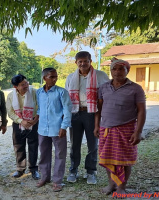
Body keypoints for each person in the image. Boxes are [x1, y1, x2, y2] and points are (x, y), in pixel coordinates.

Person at [94, 59, 146, 195]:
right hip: (106, 130)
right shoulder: (103, 88)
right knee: (108, 158)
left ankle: (121, 187)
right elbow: (98, 110)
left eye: (121, 69)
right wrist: (96, 126)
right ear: (110, 71)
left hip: (127, 130)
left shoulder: (136, 88)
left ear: (127, 71)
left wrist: (138, 131)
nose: (117, 72)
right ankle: (111, 185)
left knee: (125, 160)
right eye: (114, 69)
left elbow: (141, 110)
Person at [65, 51, 109, 184]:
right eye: (80, 61)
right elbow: (67, 97)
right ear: (76, 63)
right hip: (75, 113)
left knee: (93, 144)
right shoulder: (70, 77)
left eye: (86, 61)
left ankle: (91, 171)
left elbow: (107, 94)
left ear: (90, 61)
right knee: (74, 144)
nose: (83, 64)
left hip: (92, 113)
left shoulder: (101, 76)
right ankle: (73, 170)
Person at [36, 68, 72, 192]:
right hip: (42, 130)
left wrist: (64, 127)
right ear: (44, 78)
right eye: (51, 77)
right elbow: (39, 109)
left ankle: (57, 181)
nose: (55, 79)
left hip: (57, 129)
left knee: (60, 155)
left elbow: (67, 111)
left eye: (55, 76)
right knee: (44, 154)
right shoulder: (39, 92)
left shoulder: (62, 92)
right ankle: (44, 177)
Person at [6, 74, 40, 180]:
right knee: (19, 146)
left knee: (33, 145)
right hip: (18, 124)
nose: (26, 86)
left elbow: (40, 106)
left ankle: (33, 169)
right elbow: (10, 112)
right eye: (22, 84)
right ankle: (20, 169)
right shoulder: (11, 96)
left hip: (33, 122)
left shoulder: (34, 92)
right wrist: (21, 121)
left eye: (26, 83)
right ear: (15, 86)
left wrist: (35, 120)